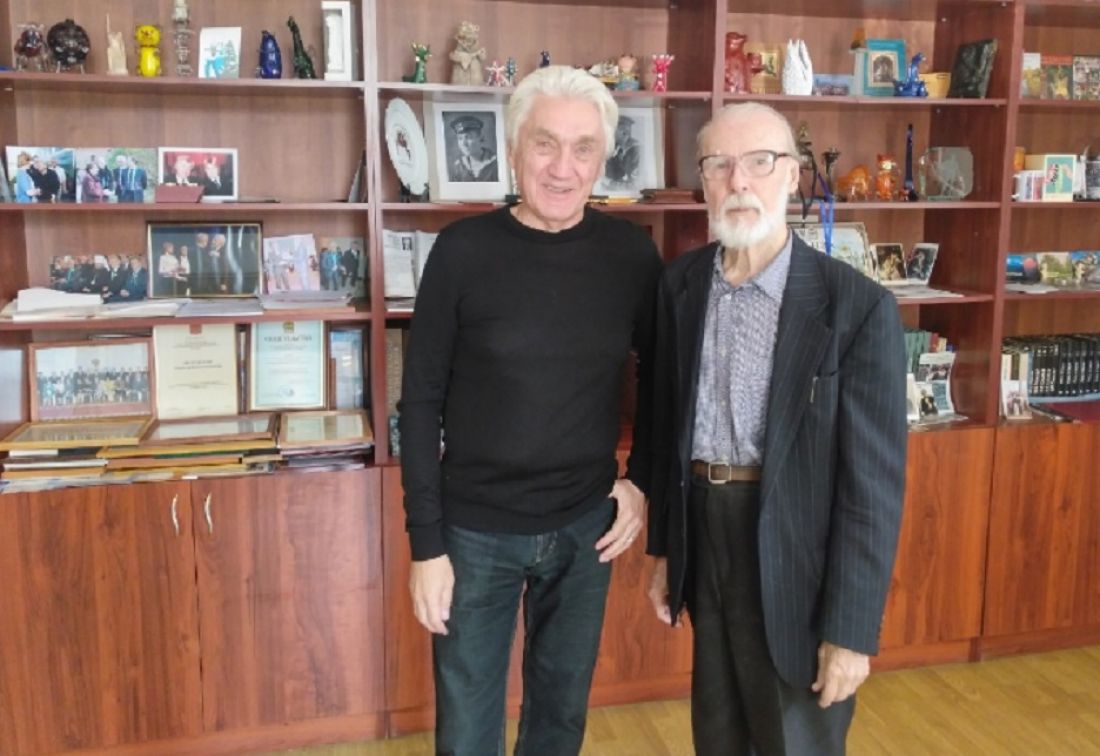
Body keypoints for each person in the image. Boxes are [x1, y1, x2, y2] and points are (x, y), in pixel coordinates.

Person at [399, 65, 660, 756]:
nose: (563, 168)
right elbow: (420, 403)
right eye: (545, 144)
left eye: (582, 148)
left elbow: (662, 379)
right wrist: (427, 545)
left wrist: (641, 480)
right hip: (474, 532)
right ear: (514, 149)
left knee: (559, 720)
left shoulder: (632, 256)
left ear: (602, 159)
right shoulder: (462, 251)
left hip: (585, 528)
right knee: (468, 731)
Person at [645, 102, 907, 755]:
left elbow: (871, 491)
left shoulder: (856, 308)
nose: (739, 181)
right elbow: (667, 427)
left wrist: (851, 631)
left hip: (799, 556)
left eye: (760, 162)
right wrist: (666, 552)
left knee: (795, 740)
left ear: (793, 175)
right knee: (718, 734)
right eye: (719, 165)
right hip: (706, 536)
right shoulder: (679, 288)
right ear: (703, 181)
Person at [448, 114, 499, 182]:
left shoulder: (495, 163)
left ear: (480, 137)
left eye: (468, 137)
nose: (464, 143)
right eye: (460, 138)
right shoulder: (458, 167)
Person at [603, 115, 640, 189]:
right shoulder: (604, 146)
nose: (627, 135)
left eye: (628, 131)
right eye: (623, 130)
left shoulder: (634, 148)